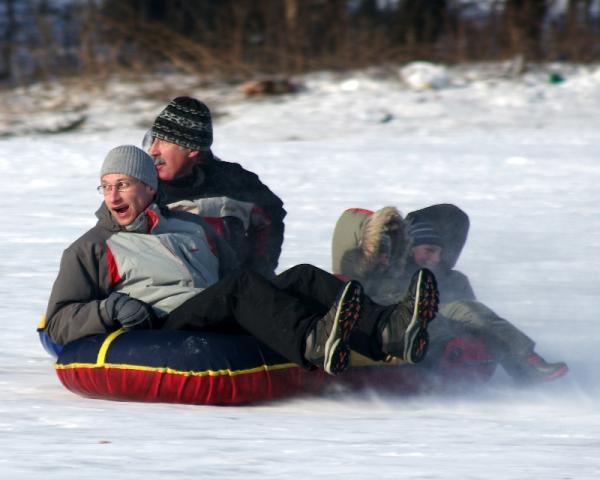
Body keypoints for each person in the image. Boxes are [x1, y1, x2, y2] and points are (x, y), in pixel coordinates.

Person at [44, 146, 440, 378]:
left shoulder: (189, 226)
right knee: (241, 288)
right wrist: (109, 308)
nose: (113, 196)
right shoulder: (92, 248)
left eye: (123, 185)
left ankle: (388, 330)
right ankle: (311, 342)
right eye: (107, 186)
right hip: (167, 322)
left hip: (215, 308)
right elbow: (58, 322)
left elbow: (238, 273)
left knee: (300, 276)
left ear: (148, 188)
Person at [331, 204, 568, 384]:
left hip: (436, 325)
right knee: (433, 313)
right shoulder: (380, 269)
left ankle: (525, 361)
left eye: (439, 253)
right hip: (388, 324)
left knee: (463, 309)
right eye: (429, 251)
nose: (435, 258)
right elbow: (354, 258)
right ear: (410, 248)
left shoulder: (450, 279)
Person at [142, 96, 285, 279]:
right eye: (153, 140)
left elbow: (271, 214)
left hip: (236, 292)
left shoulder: (234, 182)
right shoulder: (143, 187)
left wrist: (258, 270)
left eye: (163, 141)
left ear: (191, 150)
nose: (153, 150)